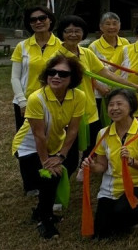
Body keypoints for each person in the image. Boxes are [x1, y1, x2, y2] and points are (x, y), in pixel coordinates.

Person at [56, 15, 138, 175]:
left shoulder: (86, 53)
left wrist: (133, 86)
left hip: (89, 110)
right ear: (61, 34)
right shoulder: (56, 56)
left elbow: (106, 74)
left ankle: (84, 170)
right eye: (68, 31)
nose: (73, 35)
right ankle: (60, 180)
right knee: (68, 149)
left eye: (77, 31)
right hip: (67, 111)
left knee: (92, 146)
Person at [11, 55, 85, 238]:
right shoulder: (36, 98)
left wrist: (61, 157)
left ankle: (42, 212)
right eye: (52, 72)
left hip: (53, 145)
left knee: (55, 174)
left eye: (63, 74)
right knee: (49, 177)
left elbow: (73, 130)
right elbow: (38, 134)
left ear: (72, 78)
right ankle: (44, 221)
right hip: (28, 148)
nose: (56, 76)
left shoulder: (79, 96)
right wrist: (46, 161)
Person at [82, 88, 138, 239]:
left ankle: (135, 214)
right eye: (111, 105)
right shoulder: (103, 134)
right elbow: (102, 165)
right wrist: (92, 166)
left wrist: (131, 161)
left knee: (120, 215)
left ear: (131, 106)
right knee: (102, 233)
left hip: (135, 184)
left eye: (119, 104)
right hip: (110, 187)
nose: (114, 108)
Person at [11, 6, 62, 130]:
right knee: (26, 144)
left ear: (50, 20)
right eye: (33, 20)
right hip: (26, 102)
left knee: (52, 141)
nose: (38, 22)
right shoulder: (21, 46)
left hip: (54, 101)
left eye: (42, 18)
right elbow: (15, 77)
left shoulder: (62, 46)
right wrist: (22, 102)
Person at [88, 12, 130, 121]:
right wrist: (99, 87)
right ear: (101, 27)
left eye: (115, 23)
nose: (111, 27)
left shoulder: (126, 43)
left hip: (121, 90)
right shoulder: (94, 46)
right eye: (107, 24)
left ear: (120, 25)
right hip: (101, 92)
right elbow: (89, 72)